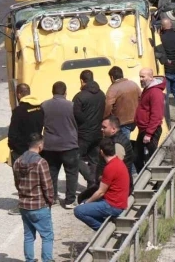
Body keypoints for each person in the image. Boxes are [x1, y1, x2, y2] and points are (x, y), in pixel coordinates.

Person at [13, 133, 54, 262]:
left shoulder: (17, 161)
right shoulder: (41, 162)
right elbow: (47, 186)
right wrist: (50, 201)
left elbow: (17, 183)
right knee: (47, 236)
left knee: (29, 236)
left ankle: (29, 260)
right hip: (39, 205)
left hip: (24, 205)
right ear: (40, 145)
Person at [73, 138, 129, 231]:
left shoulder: (110, 167)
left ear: (101, 152)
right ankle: (104, 226)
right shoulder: (118, 162)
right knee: (87, 202)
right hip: (119, 202)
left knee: (78, 211)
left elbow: (100, 192)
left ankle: (103, 230)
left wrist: (85, 203)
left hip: (112, 206)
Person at [40, 81, 79, 209]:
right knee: (71, 173)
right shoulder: (72, 106)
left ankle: (52, 198)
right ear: (65, 92)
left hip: (50, 145)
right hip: (69, 145)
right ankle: (69, 200)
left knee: (52, 172)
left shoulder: (44, 105)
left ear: (53, 92)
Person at [73, 70, 106, 188]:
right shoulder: (101, 94)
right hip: (98, 132)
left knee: (75, 157)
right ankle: (93, 184)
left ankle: (90, 178)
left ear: (82, 81)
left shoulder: (79, 97)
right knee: (94, 160)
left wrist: (84, 122)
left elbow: (76, 115)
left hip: (83, 134)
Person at [134, 68, 165, 172]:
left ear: (151, 77)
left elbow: (156, 115)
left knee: (151, 158)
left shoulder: (155, 92)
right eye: (140, 76)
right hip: (144, 129)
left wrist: (149, 133)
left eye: (143, 76)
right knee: (138, 157)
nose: (141, 79)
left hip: (150, 130)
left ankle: (154, 182)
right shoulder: (148, 89)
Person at [156, 18, 175, 120]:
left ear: (162, 27)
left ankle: (165, 116)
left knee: (165, 94)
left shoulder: (161, 39)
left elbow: (159, 54)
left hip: (166, 69)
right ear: (171, 25)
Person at [104, 66, 140, 139]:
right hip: (135, 119)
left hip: (122, 121)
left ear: (112, 77)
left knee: (123, 144)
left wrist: (105, 118)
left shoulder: (113, 89)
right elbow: (141, 98)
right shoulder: (133, 84)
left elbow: (108, 105)